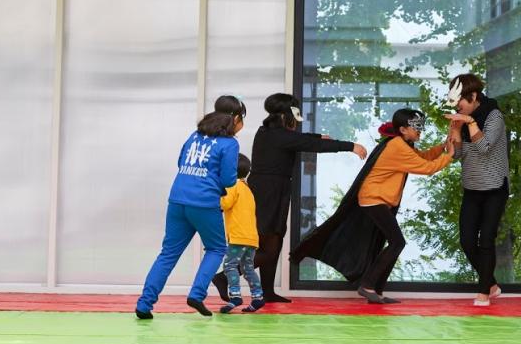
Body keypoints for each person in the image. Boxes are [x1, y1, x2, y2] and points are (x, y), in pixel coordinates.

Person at [292, 109, 453, 304]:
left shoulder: (402, 144)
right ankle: (368, 286)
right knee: (397, 242)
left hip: (378, 200)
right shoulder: (397, 146)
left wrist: (442, 147)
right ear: (403, 129)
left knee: (385, 244)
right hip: (373, 199)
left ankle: (375, 290)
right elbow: (427, 168)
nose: (420, 130)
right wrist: (450, 156)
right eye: (416, 127)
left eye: (421, 126)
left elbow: (424, 157)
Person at [240, 92, 367, 303]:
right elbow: (307, 144)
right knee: (269, 245)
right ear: (285, 115)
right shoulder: (277, 135)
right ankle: (225, 275)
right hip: (268, 192)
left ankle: (267, 292)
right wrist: (350, 146)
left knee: (275, 241)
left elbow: (300, 140)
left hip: (272, 189)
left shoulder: (267, 132)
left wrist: (317, 137)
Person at [135, 96, 246, 319]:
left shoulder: (195, 135)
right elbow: (228, 179)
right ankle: (197, 294)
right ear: (235, 118)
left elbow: (181, 163)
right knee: (216, 249)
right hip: (204, 203)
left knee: (168, 254)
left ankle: (144, 304)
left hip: (178, 199)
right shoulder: (230, 144)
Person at [444, 74, 510, 306]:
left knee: (486, 240)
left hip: (494, 187)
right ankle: (491, 284)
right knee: (467, 240)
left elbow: (484, 147)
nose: (457, 106)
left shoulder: (494, 116)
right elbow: (457, 155)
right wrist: (455, 131)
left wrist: (470, 123)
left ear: (473, 96)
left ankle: (483, 292)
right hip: (472, 187)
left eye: (460, 101)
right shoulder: (463, 119)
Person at [216, 153, 265, 313]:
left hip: (238, 236)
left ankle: (235, 296)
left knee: (229, 265)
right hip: (251, 238)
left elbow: (225, 204)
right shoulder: (247, 189)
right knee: (248, 268)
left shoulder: (232, 186)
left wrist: (215, 197)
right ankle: (258, 297)